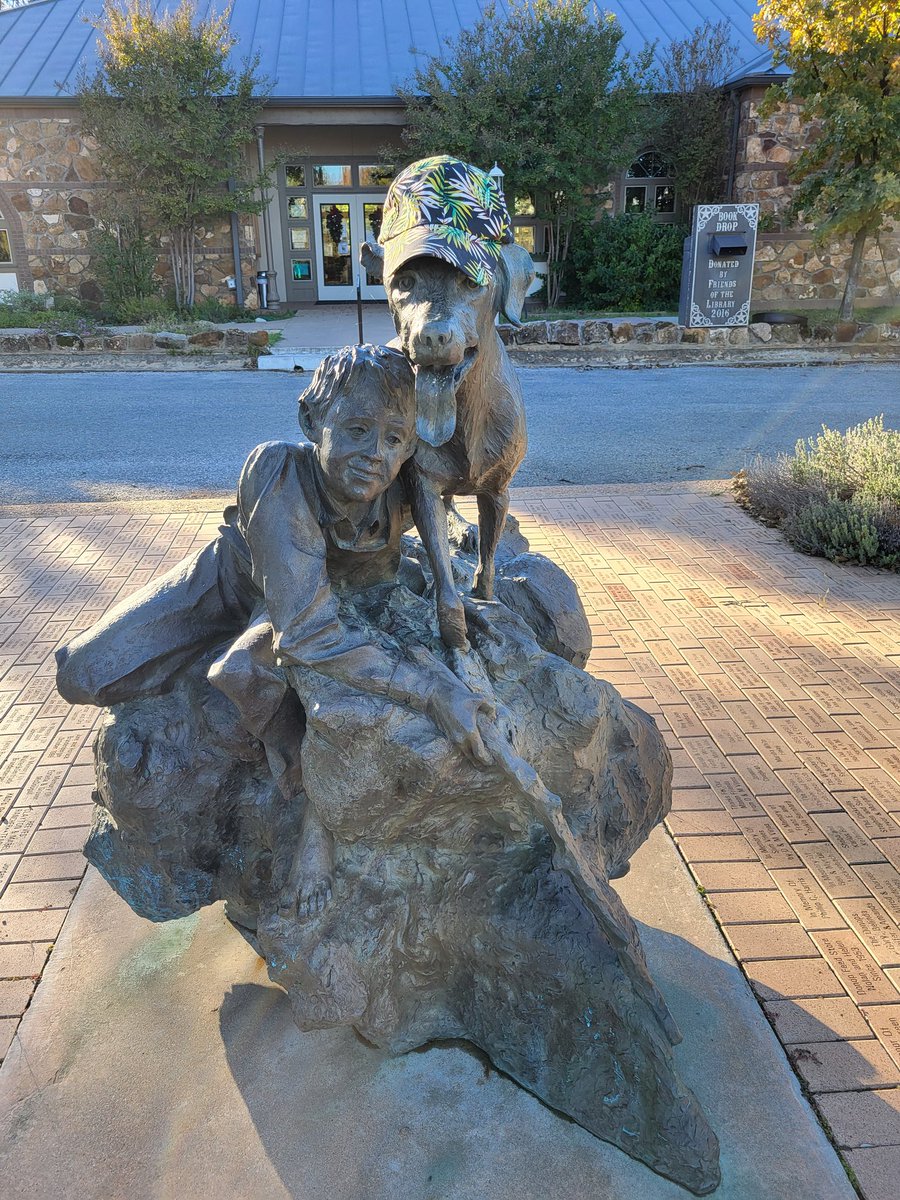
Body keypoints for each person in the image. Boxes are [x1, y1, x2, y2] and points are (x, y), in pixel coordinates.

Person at [57, 343, 493, 918]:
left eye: (393, 439)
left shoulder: (407, 480)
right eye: (357, 429)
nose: (374, 454)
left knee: (250, 669)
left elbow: (451, 495)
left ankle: (307, 801)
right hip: (231, 583)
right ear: (314, 421)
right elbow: (310, 633)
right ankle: (186, 661)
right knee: (80, 675)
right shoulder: (278, 469)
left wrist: (451, 577)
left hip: (309, 596)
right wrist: (432, 691)